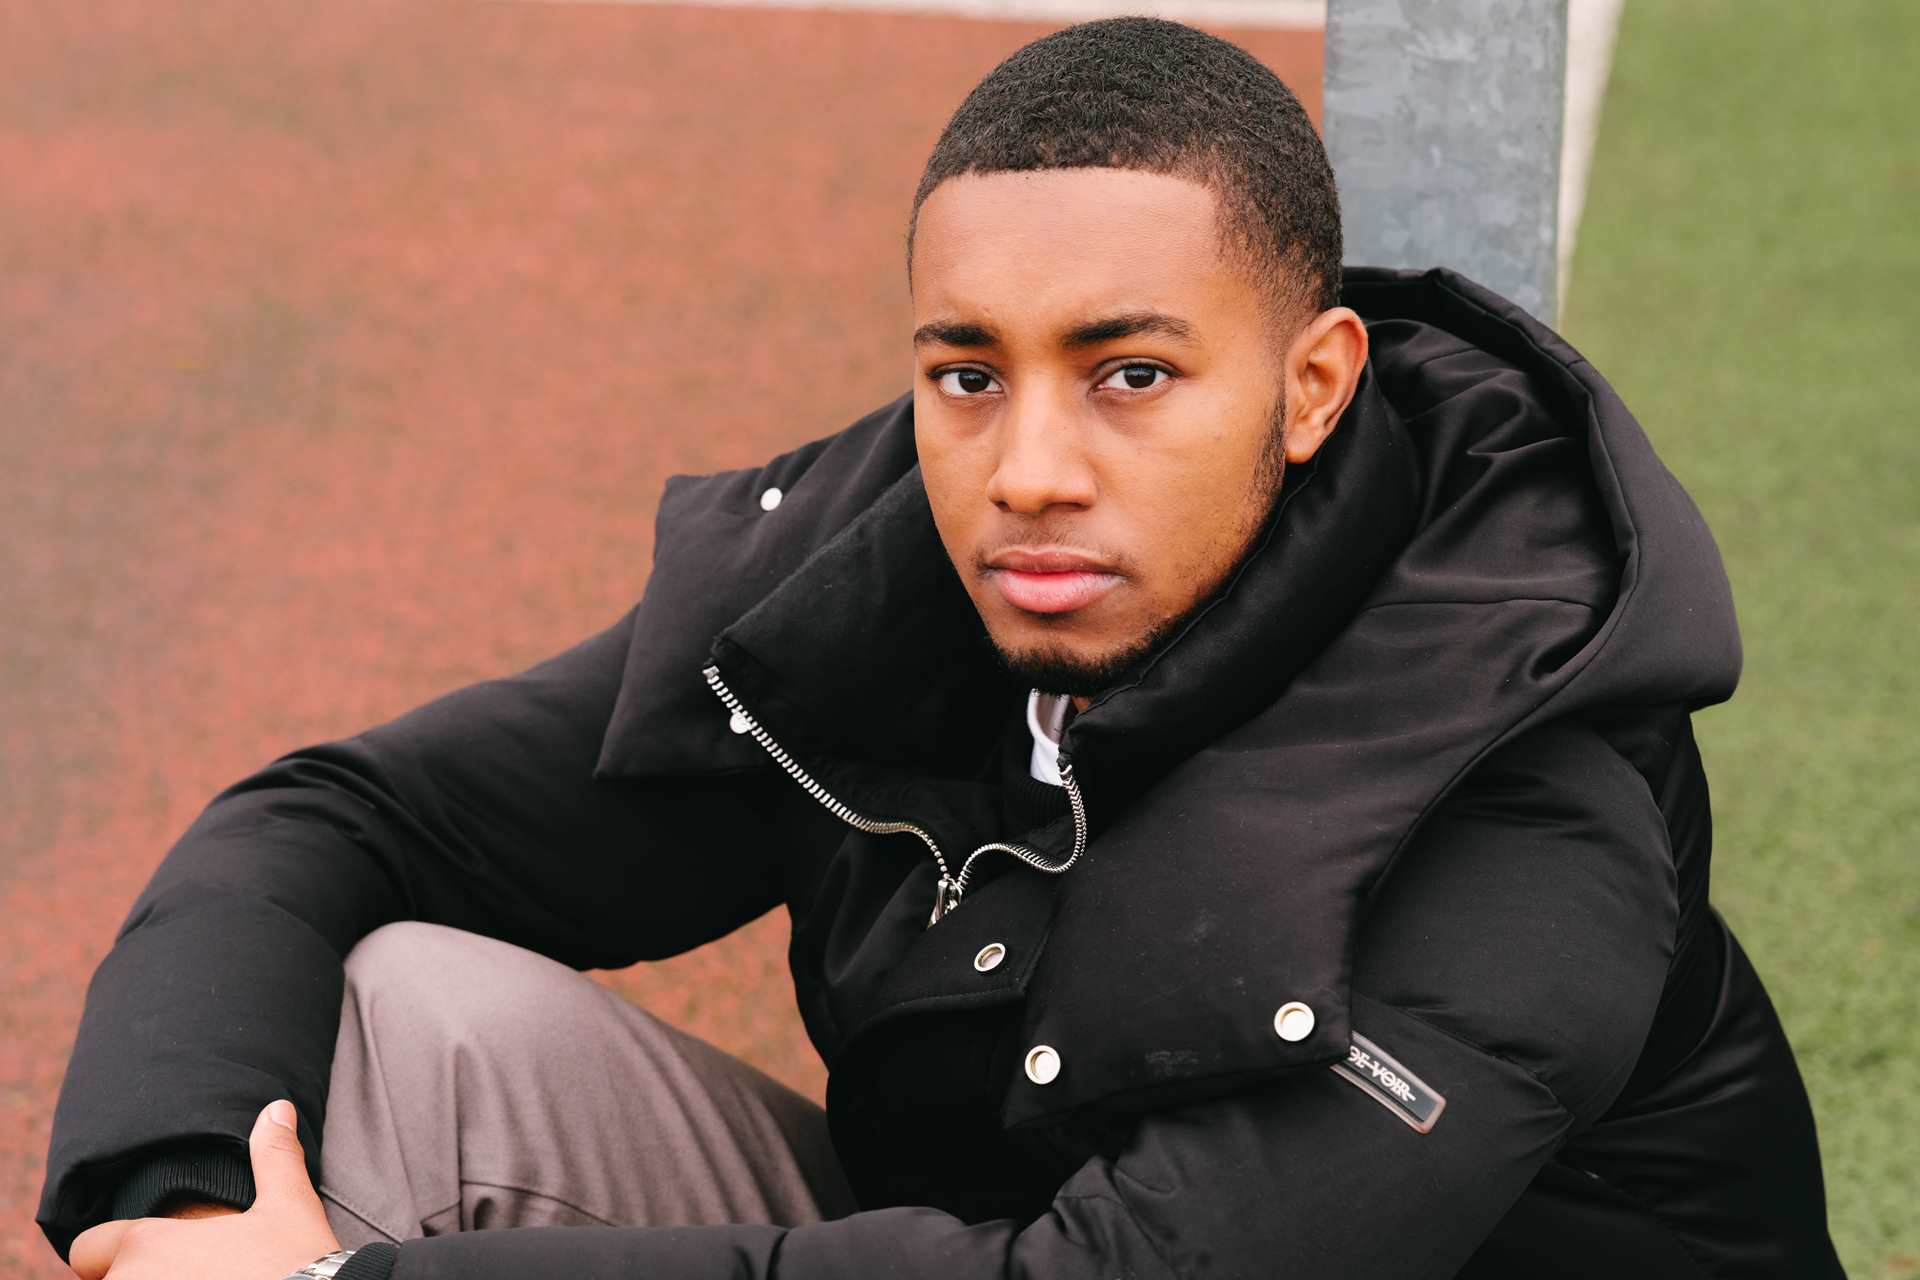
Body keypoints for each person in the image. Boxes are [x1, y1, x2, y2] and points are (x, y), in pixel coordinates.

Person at [38, 17, 1845, 1280]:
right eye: (970, 373)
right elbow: (331, 821)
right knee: (408, 1016)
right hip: (983, 1243)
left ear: (1311, 390)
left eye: (1131, 373)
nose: (1029, 470)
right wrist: (191, 1210)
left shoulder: (1521, 804)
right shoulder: (892, 593)